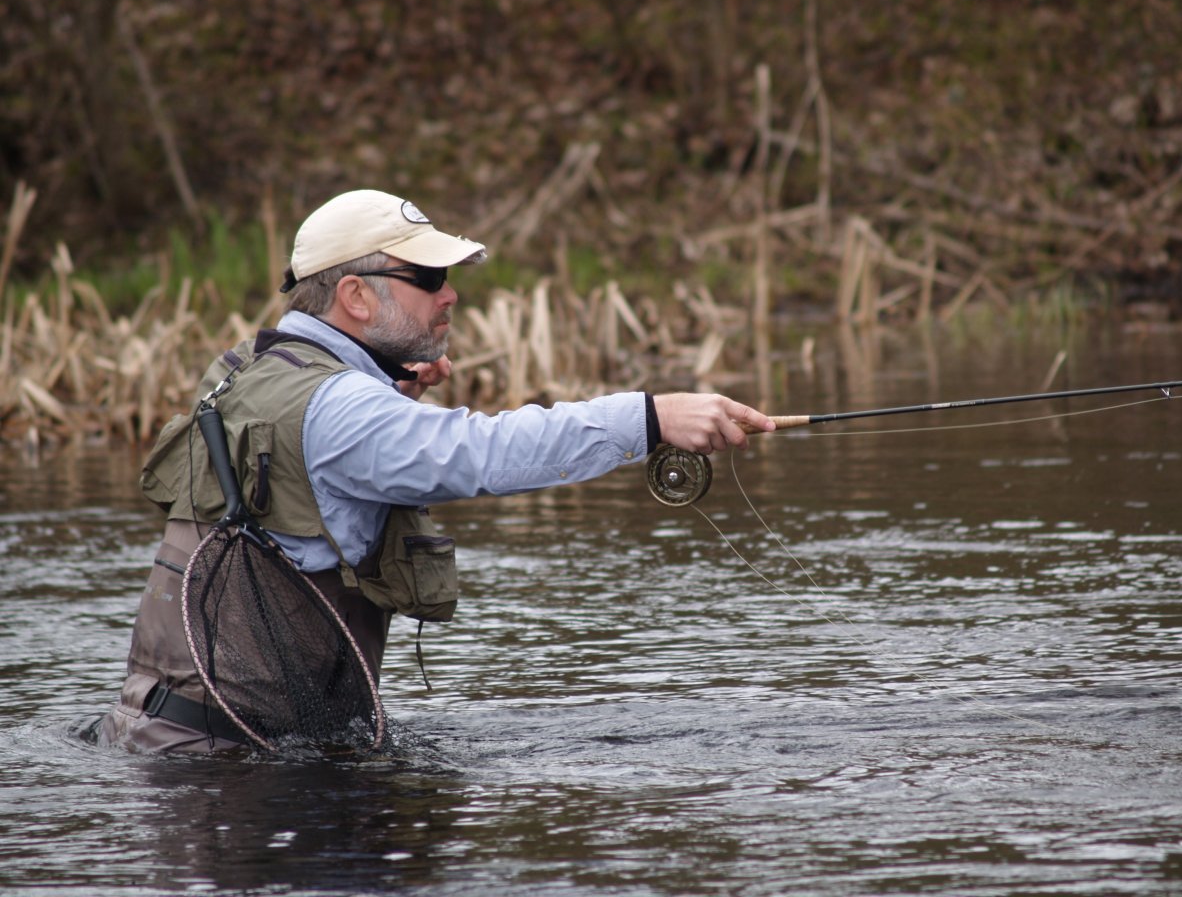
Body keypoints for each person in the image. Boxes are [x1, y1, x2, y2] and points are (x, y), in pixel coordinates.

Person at [99, 188, 774, 753]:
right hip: (236, 772)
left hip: (154, 739)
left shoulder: (249, 367)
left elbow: (316, 457)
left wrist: (389, 387)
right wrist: (650, 418)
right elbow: (486, 453)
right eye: (426, 279)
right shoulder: (343, 409)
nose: (448, 296)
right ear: (357, 297)